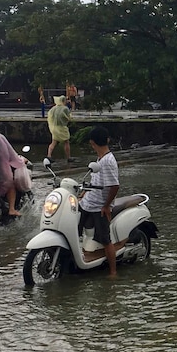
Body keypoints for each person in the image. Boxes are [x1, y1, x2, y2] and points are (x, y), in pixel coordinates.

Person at [79, 126, 120, 276]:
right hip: (88, 202)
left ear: (92, 143)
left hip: (99, 206)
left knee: (105, 239)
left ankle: (113, 272)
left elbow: (115, 186)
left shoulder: (107, 161)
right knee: (74, 227)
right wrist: (83, 193)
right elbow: (95, 180)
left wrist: (106, 206)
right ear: (107, 140)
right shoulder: (100, 158)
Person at [47, 96, 72, 162]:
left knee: (53, 142)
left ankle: (49, 156)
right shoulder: (65, 108)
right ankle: (68, 157)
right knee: (66, 142)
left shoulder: (53, 109)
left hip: (54, 127)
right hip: (62, 127)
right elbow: (68, 118)